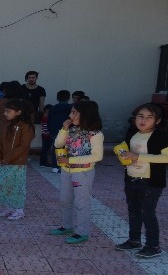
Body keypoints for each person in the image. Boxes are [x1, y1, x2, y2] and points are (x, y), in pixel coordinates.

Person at [115, 103, 168, 258]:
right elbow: (125, 151)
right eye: (140, 116)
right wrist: (123, 157)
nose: (143, 120)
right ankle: (134, 240)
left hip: (150, 183)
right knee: (133, 211)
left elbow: (165, 158)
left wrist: (138, 157)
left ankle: (153, 245)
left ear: (157, 121)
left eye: (149, 117)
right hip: (131, 179)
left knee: (148, 213)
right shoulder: (132, 133)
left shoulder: (161, 136)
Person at [50, 100, 104, 244]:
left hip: (83, 172)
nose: (70, 115)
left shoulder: (95, 134)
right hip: (66, 171)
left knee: (81, 202)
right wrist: (63, 129)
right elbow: (57, 144)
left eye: (74, 112)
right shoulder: (71, 130)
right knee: (64, 199)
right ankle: (66, 226)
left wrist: (71, 161)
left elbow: (97, 156)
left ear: (85, 114)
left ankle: (82, 232)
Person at [0, 99, 35, 220]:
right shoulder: (8, 125)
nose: (5, 113)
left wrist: (7, 158)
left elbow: (23, 146)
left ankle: (19, 210)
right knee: (5, 184)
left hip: (17, 163)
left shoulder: (26, 127)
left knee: (17, 186)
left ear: (18, 112)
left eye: (8, 111)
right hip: (5, 162)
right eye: (5, 111)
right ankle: (9, 207)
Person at [47, 90, 72, 172]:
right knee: (67, 148)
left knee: (56, 149)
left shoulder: (52, 108)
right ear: (69, 98)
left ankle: (55, 166)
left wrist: (50, 130)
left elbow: (49, 120)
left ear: (57, 98)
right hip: (67, 130)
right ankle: (64, 166)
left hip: (54, 131)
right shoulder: (71, 107)